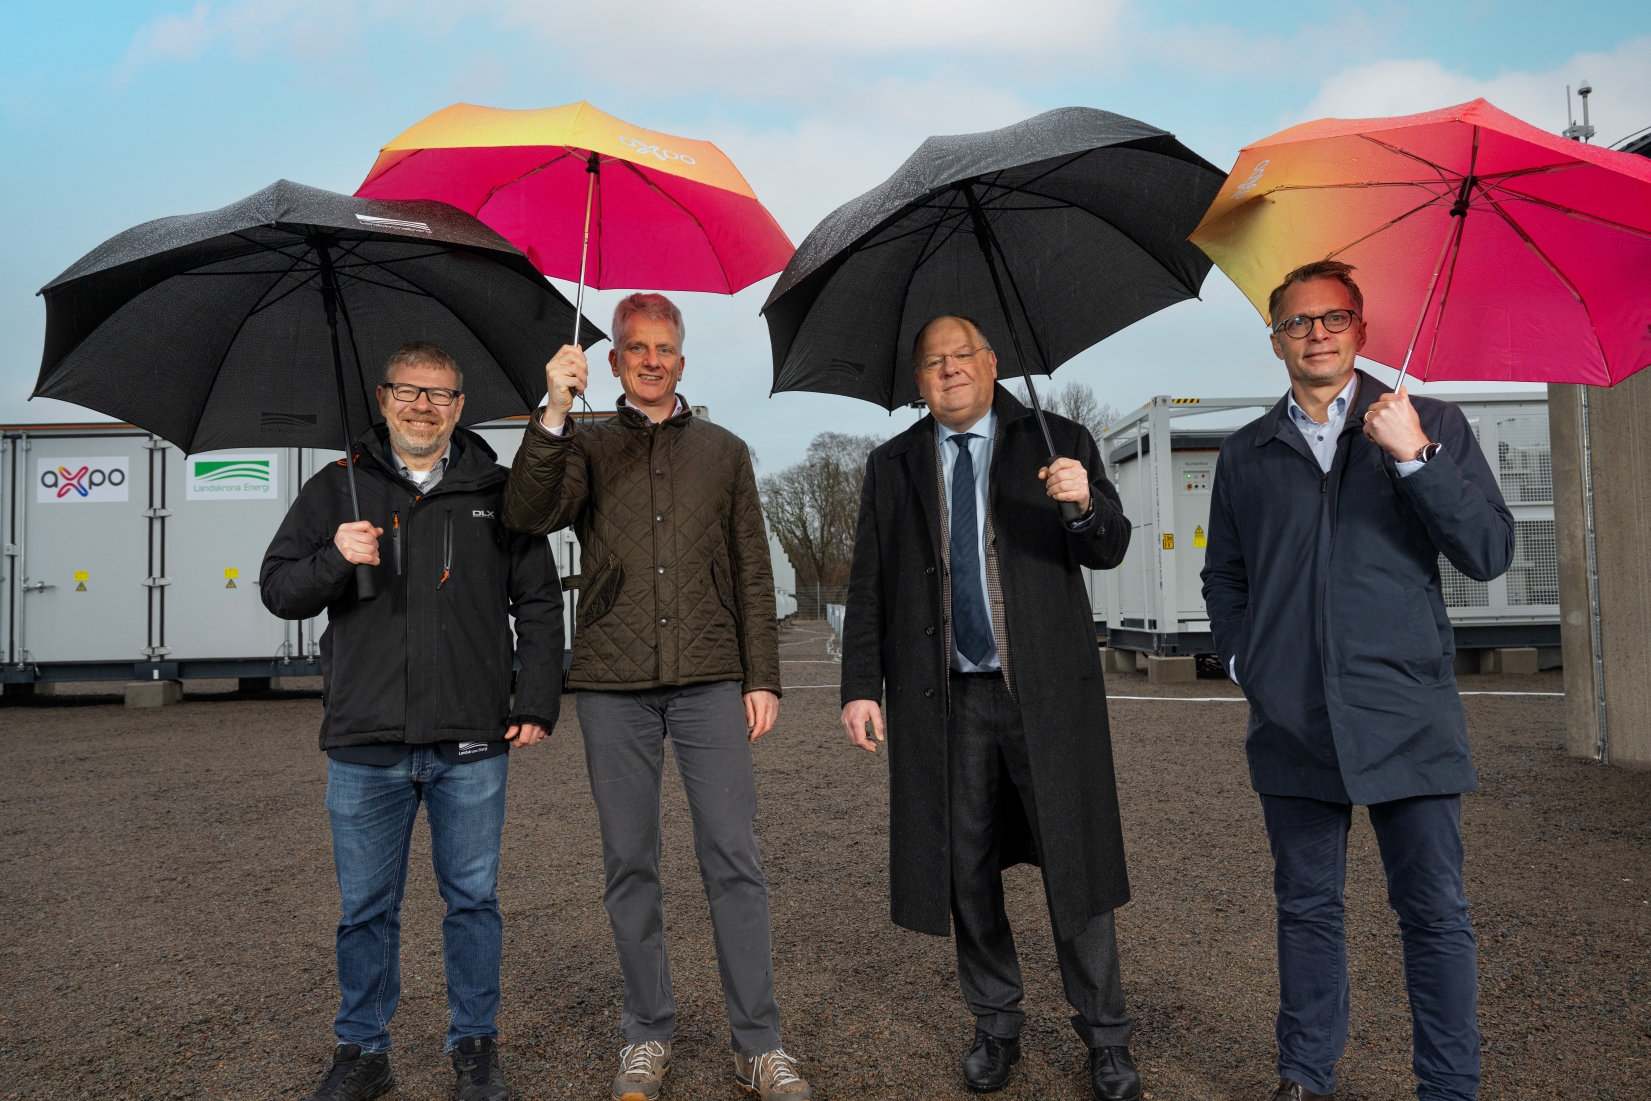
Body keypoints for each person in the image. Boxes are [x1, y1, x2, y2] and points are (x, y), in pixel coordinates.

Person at [1201, 261, 1515, 1101]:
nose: (1317, 334)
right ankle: (1304, 1075)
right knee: (1307, 909)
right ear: (1274, 340)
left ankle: (1448, 1086)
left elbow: (1486, 553)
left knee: (1434, 913)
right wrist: (1245, 663)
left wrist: (1414, 458)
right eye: (1298, 322)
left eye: (1333, 317)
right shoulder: (1245, 454)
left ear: (1361, 329)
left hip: (1403, 709)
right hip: (1292, 715)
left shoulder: (1426, 422)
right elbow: (1223, 580)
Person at [502, 293, 809, 1101]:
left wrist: (763, 674)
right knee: (629, 863)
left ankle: (759, 1042)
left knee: (733, 860)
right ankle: (647, 1032)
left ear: (681, 357)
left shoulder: (725, 449)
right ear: (611, 361)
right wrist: (553, 413)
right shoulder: (586, 443)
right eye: (633, 347)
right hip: (612, 682)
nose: (648, 358)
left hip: (711, 676)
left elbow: (751, 567)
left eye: (662, 346)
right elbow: (527, 512)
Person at [839, 315, 1141, 1101]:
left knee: (1072, 860)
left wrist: (1081, 504)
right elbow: (868, 582)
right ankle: (996, 1022)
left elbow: (1108, 545)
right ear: (917, 380)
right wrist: (858, 688)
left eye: (961, 356)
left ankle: (1104, 1035)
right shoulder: (892, 464)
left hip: (1042, 693)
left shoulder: (1054, 435)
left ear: (991, 361)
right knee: (963, 866)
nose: (948, 371)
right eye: (932, 362)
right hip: (945, 698)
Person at [261, 341, 565, 1101]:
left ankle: (475, 1046)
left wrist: (535, 700)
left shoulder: (497, 491)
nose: (422, 405)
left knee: (472, 901)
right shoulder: (336, 489)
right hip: (365, 740)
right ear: (383, 396)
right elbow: (278, 589)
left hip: (470, 736)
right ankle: (363, 1050)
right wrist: (334, 556)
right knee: (366, 908)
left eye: (439, 394)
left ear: (460, 405)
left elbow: (537, 600)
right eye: (408, 391)